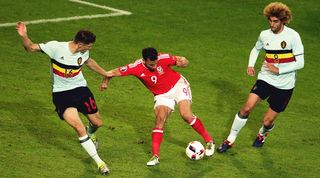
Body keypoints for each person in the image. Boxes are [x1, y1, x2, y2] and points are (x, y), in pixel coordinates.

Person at [16, 22, 110, 175]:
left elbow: (88, 61)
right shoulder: (56, 47)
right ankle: (100, 163)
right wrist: (24, 36)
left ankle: (91, 133)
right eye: (89, 46)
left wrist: (104, 73)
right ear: (80, 44)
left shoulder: (83, 52)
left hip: (81, 90)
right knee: (79, 128)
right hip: (62, 94)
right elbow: (30, 48)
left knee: (98, 123)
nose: (90, 48)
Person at [100, 47, 215, 166]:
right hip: (161, 95)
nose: (155, 66)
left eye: (155, 63)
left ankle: (209, 141)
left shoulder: (163, 58)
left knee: (186, 115)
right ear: (144, 60)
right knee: (160, 120)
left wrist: (184, 62)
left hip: (178, 86)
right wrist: (105, 81)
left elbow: (181, 61)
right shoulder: (135, 67)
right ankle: (155, 156)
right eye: (151, 64)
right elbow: (112, 72)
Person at [218, 2, 304, 153]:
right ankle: (230, 140)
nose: (272, 24)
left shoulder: (293, 36)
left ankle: (262, 134)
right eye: (270, 21)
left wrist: (279, 70)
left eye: (275, 21)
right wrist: (251, 64)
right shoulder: (264, 35)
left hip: (285, 85)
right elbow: (256, 48)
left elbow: (300, 63)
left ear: (283, 20)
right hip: (265, 78)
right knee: (246, 108)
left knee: (267, 121)